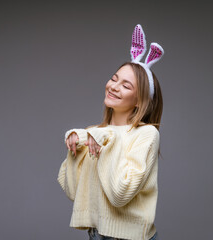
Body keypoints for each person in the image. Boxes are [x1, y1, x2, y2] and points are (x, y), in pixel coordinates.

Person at [57, 24, 164, 240]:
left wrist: (106, 142)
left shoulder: (146, 134)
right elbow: (74, 192)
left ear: (139, 101)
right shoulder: (93, 133)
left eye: (126, 86)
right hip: (96, 235)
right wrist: (73, 148)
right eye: (114, 79)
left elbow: (120, 195)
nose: (114, 86)